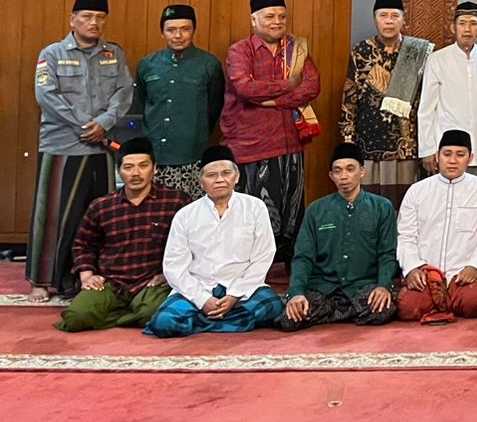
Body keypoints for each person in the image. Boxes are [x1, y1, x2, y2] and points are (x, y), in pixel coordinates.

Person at [29, 0, 132, 300]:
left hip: (100, 147)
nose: (93, 22)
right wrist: (85, 126)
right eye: (86, 16)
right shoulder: (52, 53)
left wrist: (105, 122)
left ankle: (89, 276)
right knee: (52, 215)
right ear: (72, 19)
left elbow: (124, 91)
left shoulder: (114, 53)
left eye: (100, 17)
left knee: (98, 216)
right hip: (62, 145)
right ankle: (41, 279)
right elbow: (46, 95)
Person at [145, 146, 284, 336]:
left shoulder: (255, 207)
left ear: (236, 177)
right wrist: (203, 300)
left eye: (226, 173)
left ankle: (199, 323)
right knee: (164, 322)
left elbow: (263, 257)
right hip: (198, 288)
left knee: (272, 306)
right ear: (201, 181)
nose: (219, 179)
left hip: (242, 289)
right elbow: (174, 266)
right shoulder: (185, 215)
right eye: (211, 175)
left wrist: (234, 295)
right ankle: (232, 322)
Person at [223, 0, 321, 262]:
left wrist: (274, 101)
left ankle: (288, 274)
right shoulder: (240, 50)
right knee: (254, 218)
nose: (277, 21)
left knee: (291, 216)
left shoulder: (296, 50)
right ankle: (253, 271)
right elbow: (245, 88)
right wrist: (288, 86)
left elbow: (312, 86)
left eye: (282, 16)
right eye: (269, 16)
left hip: (290, 143)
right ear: (254, 20)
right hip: (251, 146)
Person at [55, 138, 186, 332]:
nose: (136, 173)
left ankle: (115, 315)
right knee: (75, 318)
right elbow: (83, 244)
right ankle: (127, 314)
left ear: (155, 169)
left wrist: (169, 275)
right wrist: (87, 275)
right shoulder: (101, 206)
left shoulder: (176, 201)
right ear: (119, 171)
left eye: (143, 166)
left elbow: (191, 243)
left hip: (152, 282)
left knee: (152, 314)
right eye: (128, 167)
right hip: (111, 282)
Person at [276, 142, 399, 331]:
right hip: (323, 287)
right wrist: (296, 293)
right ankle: (343, 312)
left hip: (362, 286)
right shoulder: (316, 210)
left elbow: (387, 254)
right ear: (331, 176)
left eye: (350, 169)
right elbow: (303, 257)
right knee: (289, 319)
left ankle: (329, 313)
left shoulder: (382, 207)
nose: (344, 176)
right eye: (338, 171)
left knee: (383, 309)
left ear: (362, 171)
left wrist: (383, 286)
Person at [394, 129, 477, 323]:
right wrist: (412, 268)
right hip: (427, 273)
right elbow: (406, 236)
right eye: (447, 154)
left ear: (470, 158)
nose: (453, 161)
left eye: (460, 155)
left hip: (463, 272)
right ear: (437, 156)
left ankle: (446, 301)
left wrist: (475, 267)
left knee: (472, 303)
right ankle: (436, 300)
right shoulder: (417, 191)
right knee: (408, 308)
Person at [339, 0, 431, 208]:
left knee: (405, 205)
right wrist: (347, 139)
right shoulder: (361, 51)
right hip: (368, 141)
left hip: (406, 144)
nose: (389, 21)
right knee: (368, 205)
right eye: (383, 15)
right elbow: (350, 98)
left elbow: (428, 99)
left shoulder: (418, 51)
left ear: (403, 19)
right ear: (374, 19)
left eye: (394, 16)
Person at [132, 3, 225, 200]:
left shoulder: (209, 64)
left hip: (192, 155)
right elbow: (142, 102)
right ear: (162, 33)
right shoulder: (147, 64)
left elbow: (214, 108)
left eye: (185, 29)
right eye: (171, 30)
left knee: (190, 210)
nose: (178, 35)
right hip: (154, 155)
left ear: (193, 30)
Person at [418, 1, 477, 178]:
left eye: (473, 24)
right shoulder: (438, 59)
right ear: (453, 27)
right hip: (447, 148)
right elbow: (426, 109)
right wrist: (427, 149)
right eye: (462, 23)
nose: (467, 29)